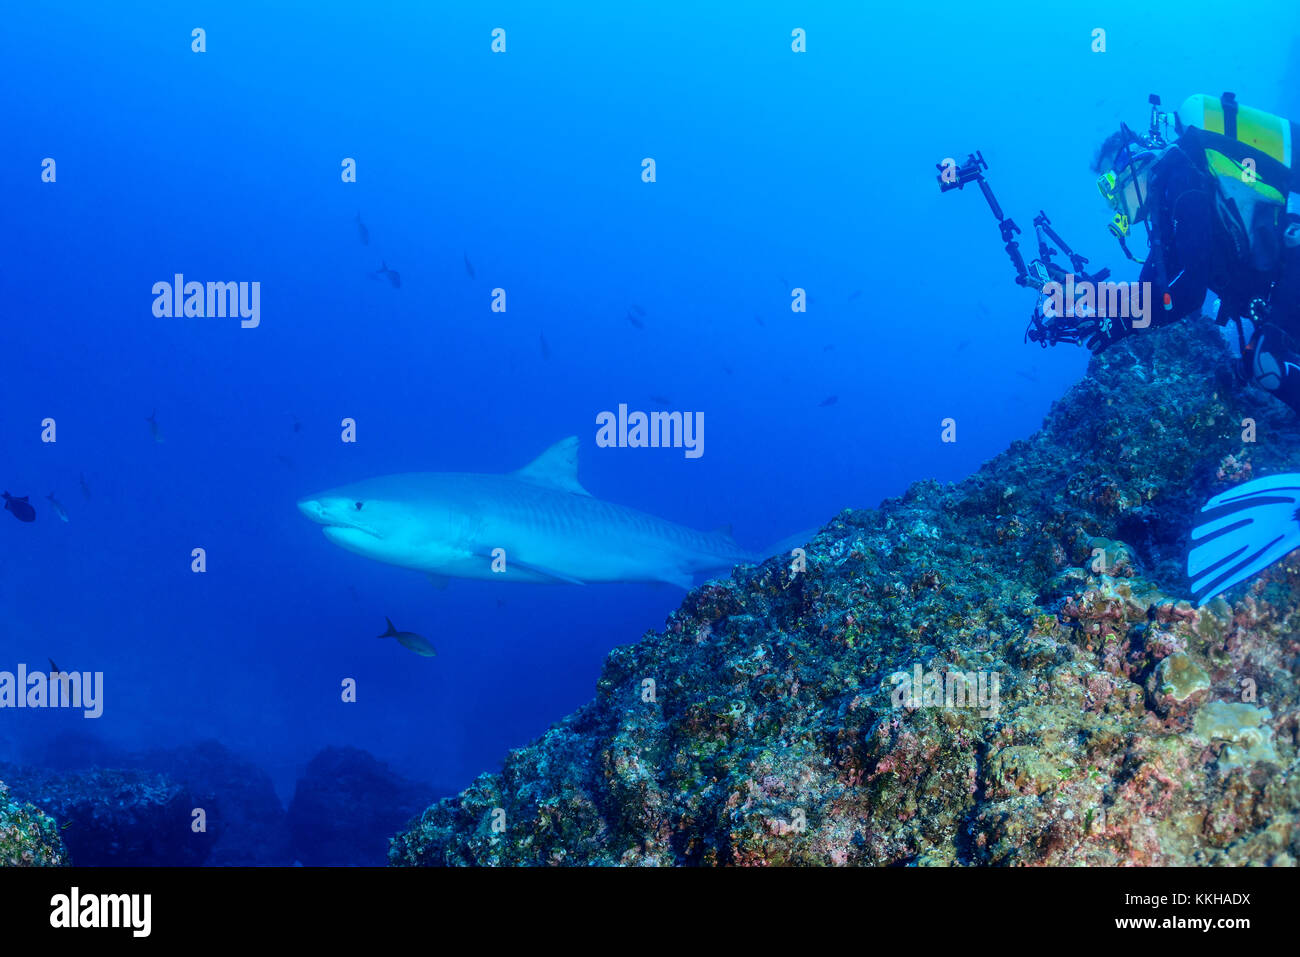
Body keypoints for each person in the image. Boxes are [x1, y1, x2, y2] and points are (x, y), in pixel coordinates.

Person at [1052, 93, 1300, 412]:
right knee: (1262, 358)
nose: (1111, 200)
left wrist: (1123, 324)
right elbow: (1150, 292)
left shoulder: (1181, 179)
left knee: (1267, 365)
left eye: (1108, 184)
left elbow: (1189, 295)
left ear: (1131, 164)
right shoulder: (1166, 209)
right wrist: (1088, 299)